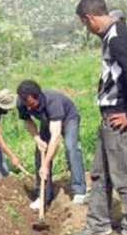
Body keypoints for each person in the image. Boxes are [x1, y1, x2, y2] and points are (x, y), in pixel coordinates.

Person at [69, 0, 127, 235]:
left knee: (125, 176)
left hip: (119, 118)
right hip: (109, 119)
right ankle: (98, 224)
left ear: (89, 18)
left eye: (84, 24)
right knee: (101, 174)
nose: (86, 29)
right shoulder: (113, 35)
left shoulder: (118, 37)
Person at [16, 80, 87, 210]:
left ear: (38, 96)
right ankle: (43, 197)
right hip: (47, 120)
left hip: (68, 118)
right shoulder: (22, 103)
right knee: (39, 154)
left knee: (71, 148)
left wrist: (46, 164)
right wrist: (37, 139)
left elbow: (55, 137)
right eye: (26, 104)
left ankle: (79, 191)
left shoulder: (53, 102)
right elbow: (28, 121)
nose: (29, 108)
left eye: (31, 104)